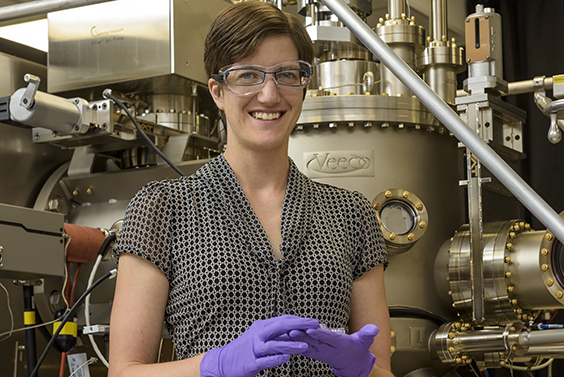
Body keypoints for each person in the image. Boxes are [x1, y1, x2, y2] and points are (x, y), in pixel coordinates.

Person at [108, 2, 393, 377]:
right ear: (217, 92)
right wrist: (214, 365)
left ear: (305, 88)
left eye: (288, 74)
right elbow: (124, 372)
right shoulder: (164, 208)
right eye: (247, 76)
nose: (270, 95)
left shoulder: (350, 214)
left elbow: (382, 372)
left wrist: (362, 370)